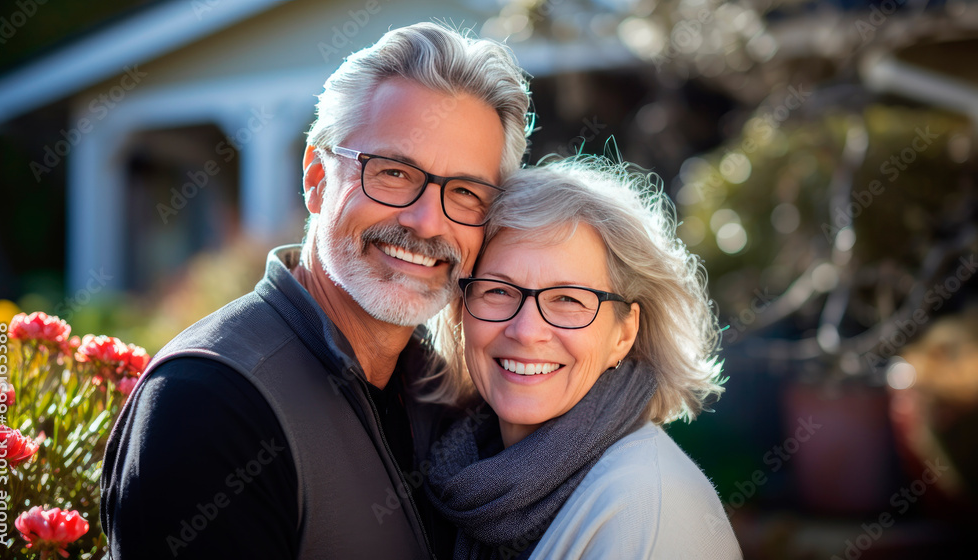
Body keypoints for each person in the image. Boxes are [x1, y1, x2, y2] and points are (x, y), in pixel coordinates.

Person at [101, 23, 530, 559]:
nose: (425, 222)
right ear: (316, 179)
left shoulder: (445, 393)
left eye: (465, 192)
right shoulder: (208, 403)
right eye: (394, 172)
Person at [424, 155, 743, 559]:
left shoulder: (644, 509)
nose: (525, 331)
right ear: (460, 310)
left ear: (624, 334)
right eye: (498, 291)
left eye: (568, 300)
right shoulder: (471, 478)